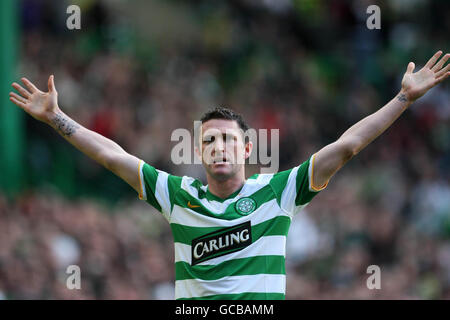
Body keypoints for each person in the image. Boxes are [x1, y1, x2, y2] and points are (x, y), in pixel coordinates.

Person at [9, 51, 450, 300]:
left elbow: (348, 146)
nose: (220, 148)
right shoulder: (177, 194)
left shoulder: (278, 191)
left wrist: (403, 100)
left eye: (228, 140)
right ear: (199, 152)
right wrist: (58, 119)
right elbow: (112, 156)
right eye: (210, 141)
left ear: (247, 149)